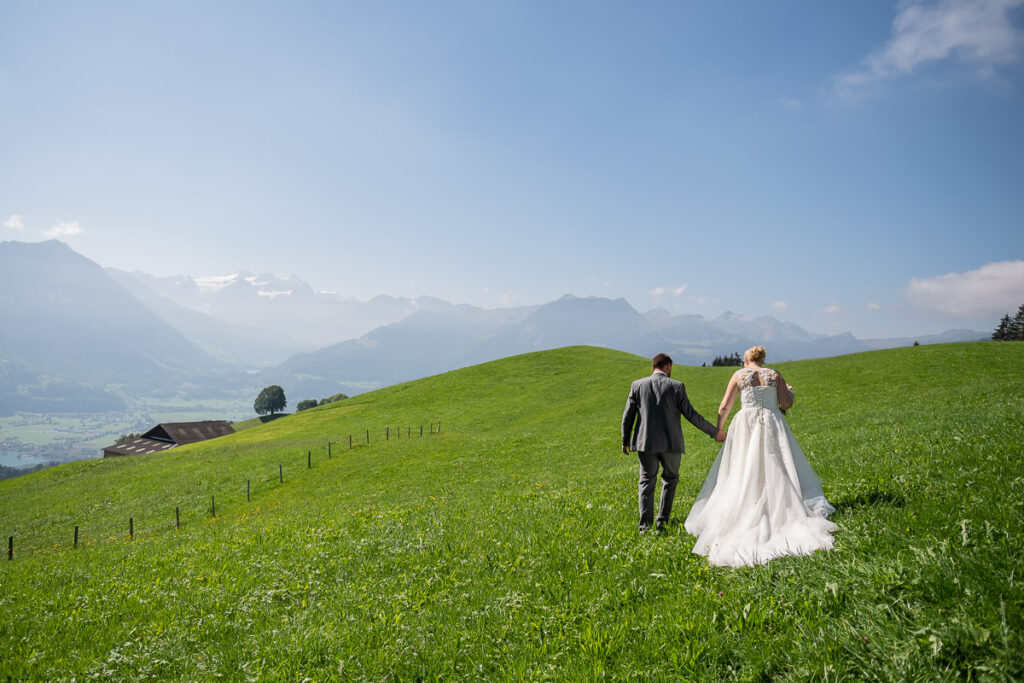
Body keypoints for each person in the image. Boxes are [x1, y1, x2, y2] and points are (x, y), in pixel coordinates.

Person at [684, 345, 836, 567]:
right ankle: (780, 505)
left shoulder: (739, 375)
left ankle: (747, 502)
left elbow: (725, 406)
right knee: (776, 464)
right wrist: (790, 393)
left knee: (743, 467)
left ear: (746, 360)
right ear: (762, 360)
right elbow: (786, 404)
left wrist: (719, 428)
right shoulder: (774, 375)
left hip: (746, 425)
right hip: (772, 423)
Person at [621, 353, 727, 532]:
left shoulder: (637, 385)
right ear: (668, 367)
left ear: (653, 367)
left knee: (646, 481)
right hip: (671, 443)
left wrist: (625, 440)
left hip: (645, 443)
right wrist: (714, 432)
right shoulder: (676, 387)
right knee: (670, 480)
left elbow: (628, 416)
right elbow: (692, 415)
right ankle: (662, 521)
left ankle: (645, 527)